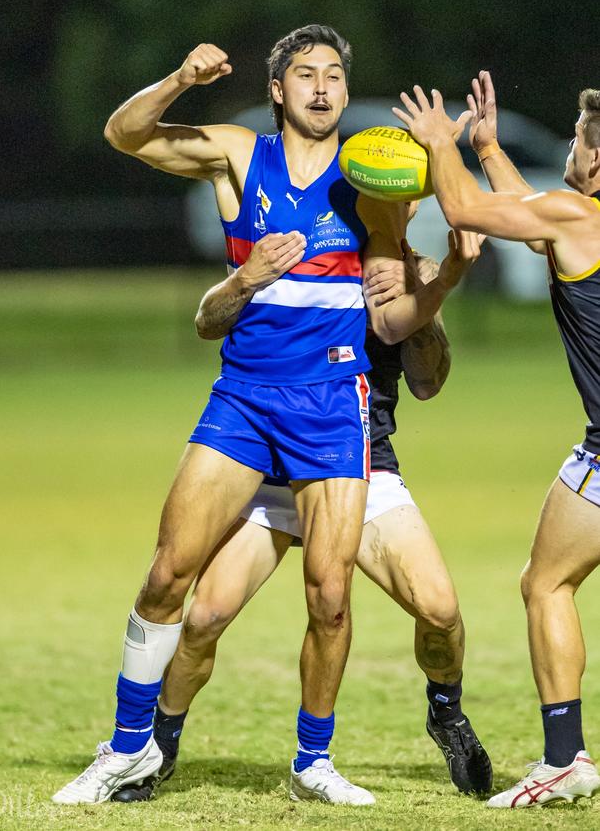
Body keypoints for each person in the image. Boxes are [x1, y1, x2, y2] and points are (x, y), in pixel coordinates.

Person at [54, 24, 412, 806]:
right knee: (166, 577)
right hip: (245, 398)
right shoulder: (239, 155)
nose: (323, 87)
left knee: (330, 594)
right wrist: (182, 77)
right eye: (306, 75)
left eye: (335, 76)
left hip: (332, 402)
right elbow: (125, 134)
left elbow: (398, 293)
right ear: (278, 90)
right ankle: (126, 750)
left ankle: (312, 761)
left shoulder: (373, 182)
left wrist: (436, 246)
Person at [110, 217, 493, 805]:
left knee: (440, 612)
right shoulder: (305, 248)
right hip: (267, 469)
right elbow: (218, 324)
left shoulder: (407, 273)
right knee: (206, 616)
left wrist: (423, 304)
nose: (397, 207)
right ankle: (157, 744)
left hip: (357, 462)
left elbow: (428, 382)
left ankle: (445, 712)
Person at [392, 74, 600, 808]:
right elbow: (528, 215)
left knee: (547, 584)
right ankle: (564, 755)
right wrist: (485, 145)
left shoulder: (581, 212)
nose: (570, 149)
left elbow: (467, 210)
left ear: (595, 161)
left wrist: (443, 146)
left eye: (578, 140)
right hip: (596, 453)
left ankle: (565, 756)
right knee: (544, 578)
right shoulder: (580, 219)